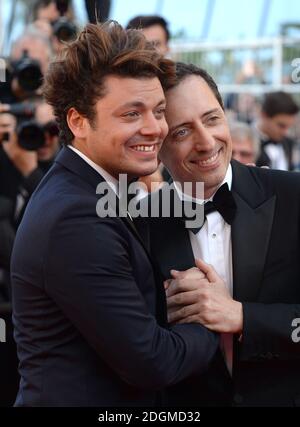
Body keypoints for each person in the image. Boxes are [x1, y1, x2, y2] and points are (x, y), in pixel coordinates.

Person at [11, 23, 218, 407]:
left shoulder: (84, 191)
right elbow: (152, 362)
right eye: (131, 114)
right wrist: (208, 320)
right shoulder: (76, 216)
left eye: (158, 111)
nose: (154, 128)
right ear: (77, 122)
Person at [140, 62, 300, 407]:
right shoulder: (138, 223)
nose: (206, 141)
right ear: (156, 143)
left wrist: (243, 317)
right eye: (181, 132)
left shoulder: (293, 197)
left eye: (212, 119)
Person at [255, 91, 299, 171]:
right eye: (281, 125)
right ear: (264, 115)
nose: (285, 132)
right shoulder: (245, 145)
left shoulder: (288, 143)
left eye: (289, 127)